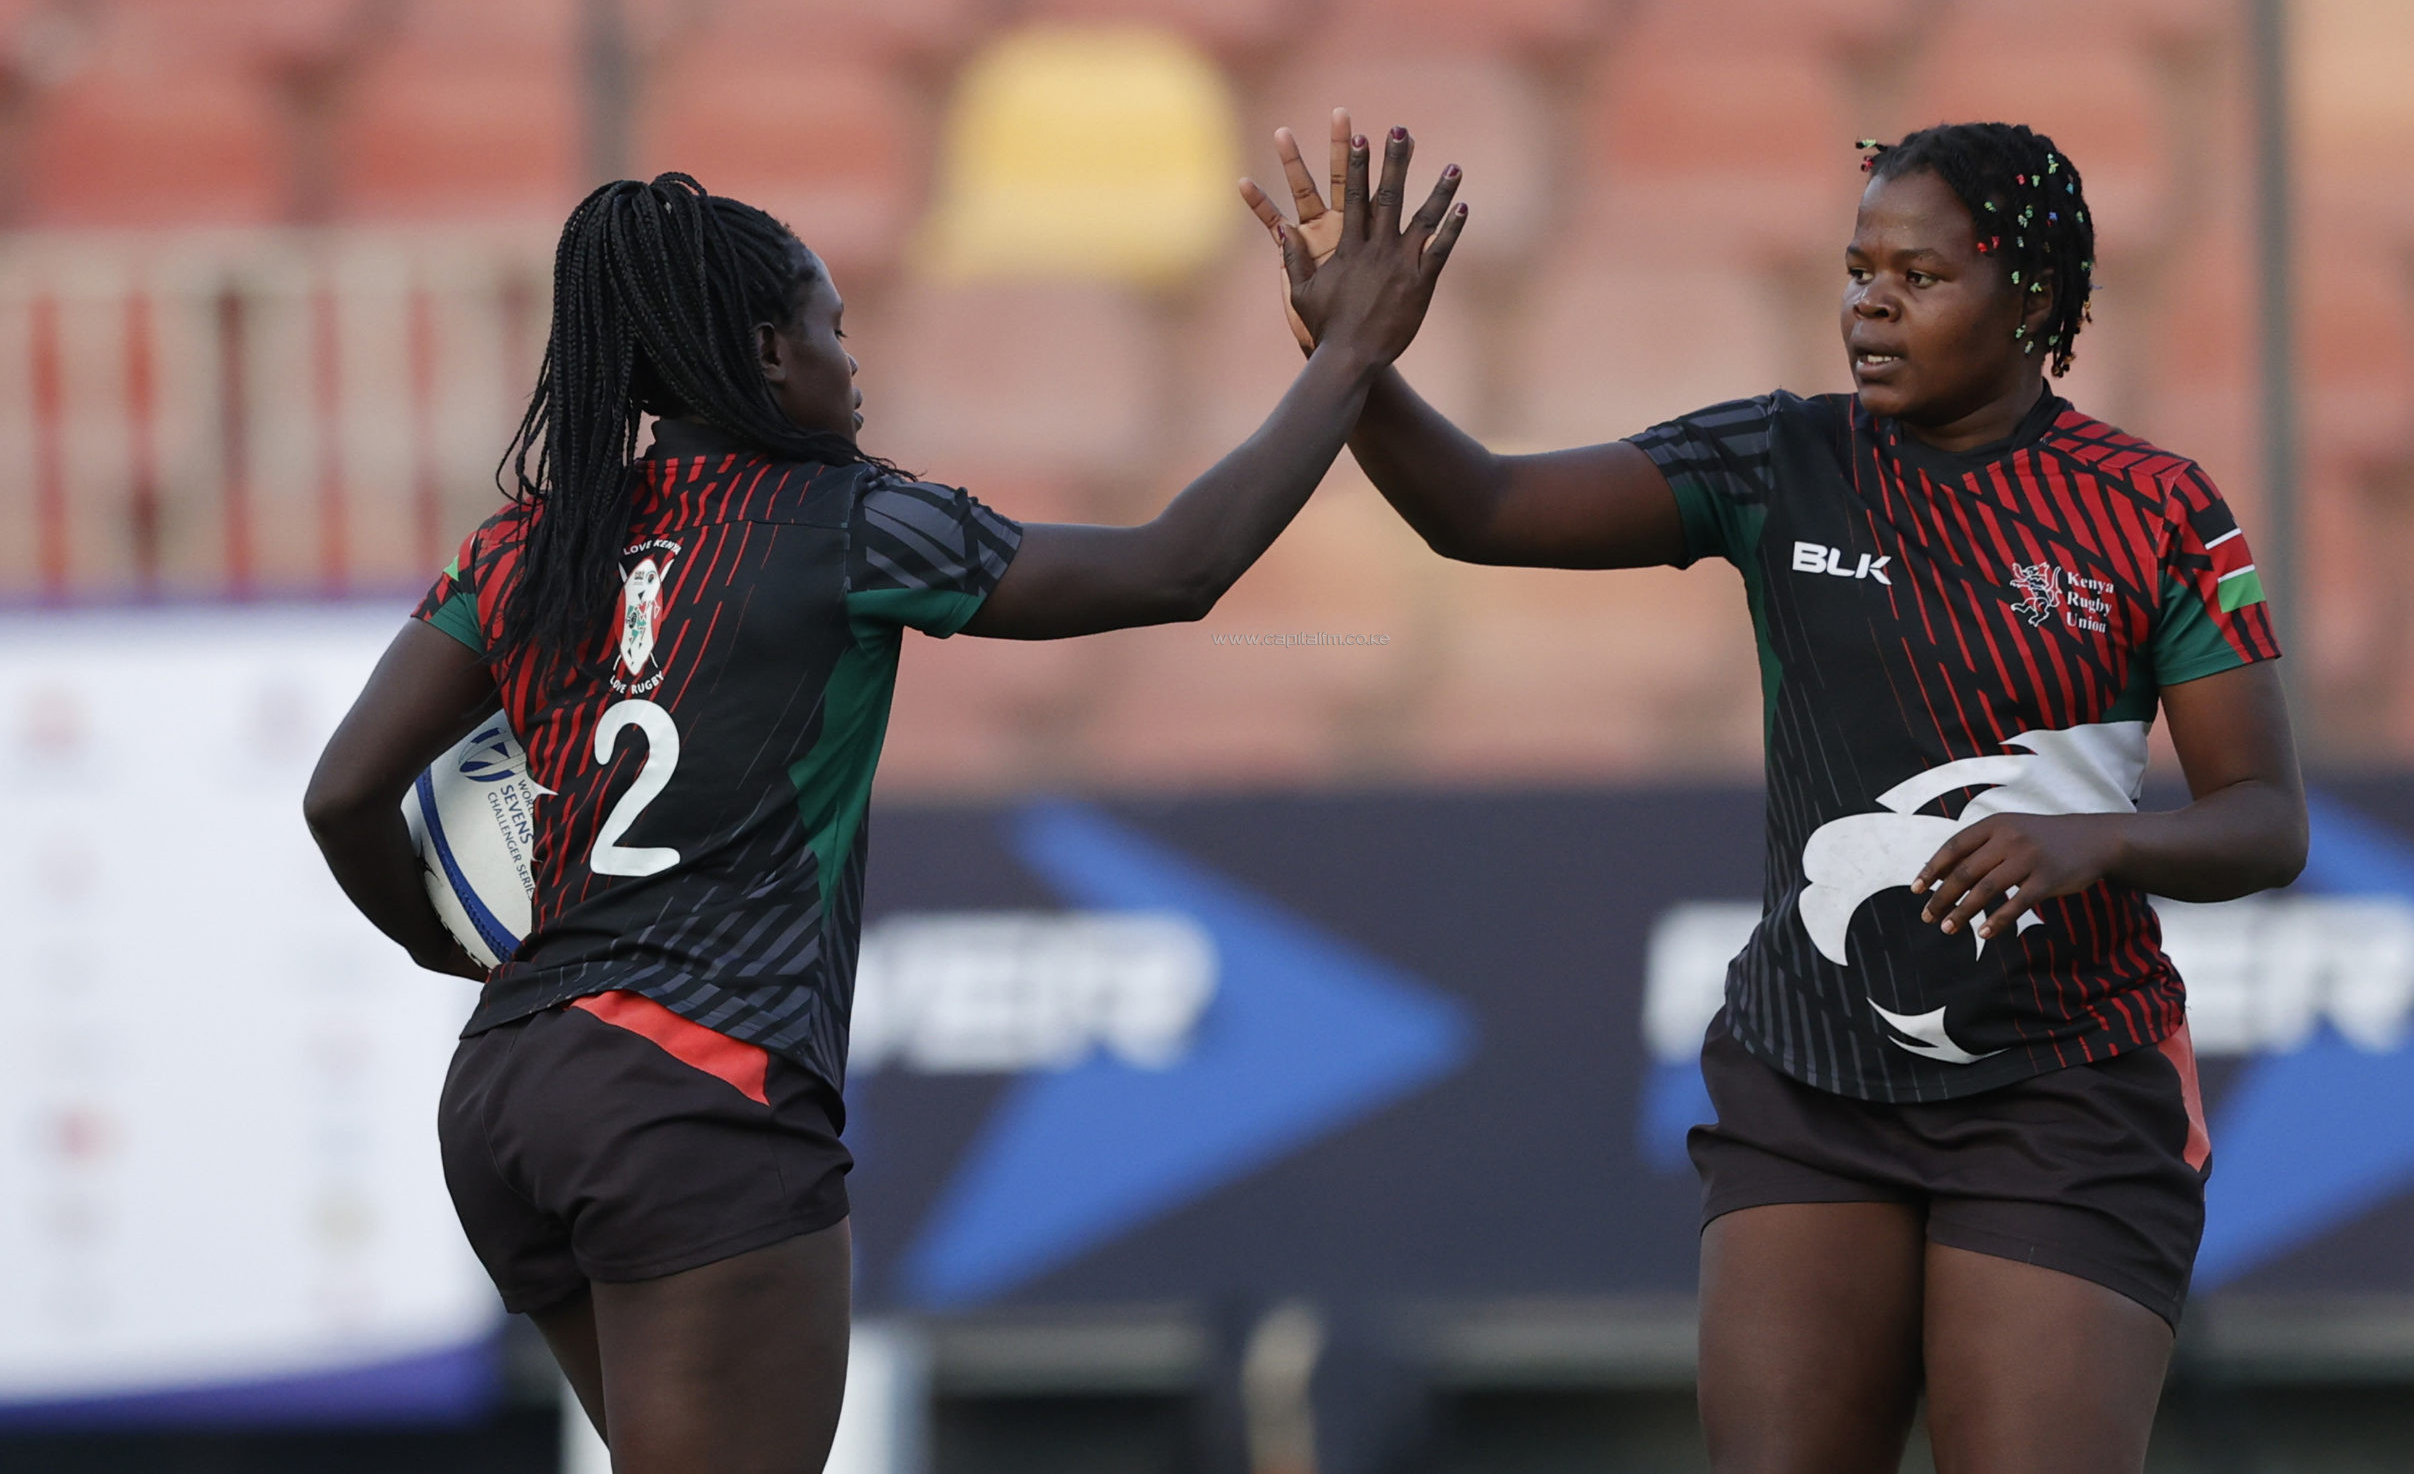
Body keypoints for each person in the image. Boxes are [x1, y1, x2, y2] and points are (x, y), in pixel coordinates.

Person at [304, 142, 1463, 1474]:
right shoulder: (842, 522)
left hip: (510, 1093)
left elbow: (344, 794)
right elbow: (1177, 567)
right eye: (833, 331)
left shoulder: (527, 543)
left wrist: (450, 948)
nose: (856, 366)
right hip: (698, 1090)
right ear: (766, 356)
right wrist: (1348, 355)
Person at [1243, 116, 2306, 1474]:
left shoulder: (2152, 512)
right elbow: (1484, 512)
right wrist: (1354, 365)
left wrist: (2096, 840)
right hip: (1812, 1085)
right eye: (1859, 267)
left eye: (1919, 276)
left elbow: (2267, 823)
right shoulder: (1780, 462)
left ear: (2031, 300)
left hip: (2065, 1098)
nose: (1869, 299)